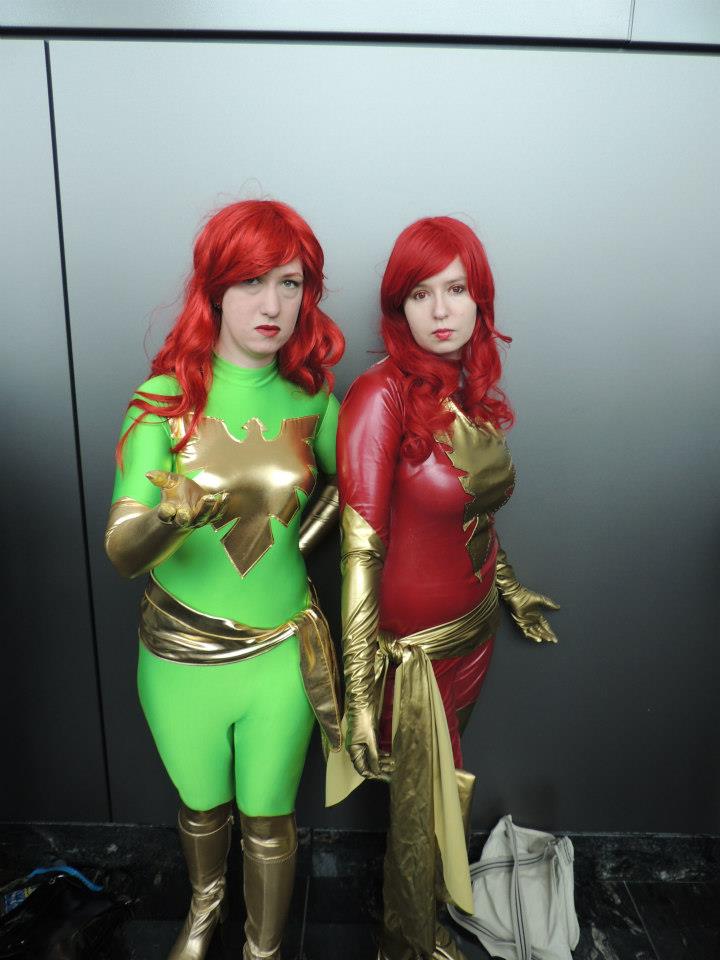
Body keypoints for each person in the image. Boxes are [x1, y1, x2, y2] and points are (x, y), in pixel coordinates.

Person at [105, 199, 344, 960]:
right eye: (250, 282)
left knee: (270, 817)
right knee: (202, 806)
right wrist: (171, 517)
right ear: (213, 289)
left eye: (289, 283)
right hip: (180, 653)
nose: (272, 305)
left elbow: (359, 489)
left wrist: (299, 537)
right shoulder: (164, 402)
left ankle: (263, 950)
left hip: (280, 649)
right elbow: (122, 550)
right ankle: (205, 910)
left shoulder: (313, 397)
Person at [333, 216, 559, 960]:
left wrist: (511, 590)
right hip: (412, 657)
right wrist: (358, 698)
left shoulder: (471, 388)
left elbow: (473, 517)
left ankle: (424, 916)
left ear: (478, 299)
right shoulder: (379, 398)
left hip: (474, 633)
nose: (440, 311)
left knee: (441, 789)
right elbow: (358, 553)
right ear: (397, 307)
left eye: (456, 290)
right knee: (421, 805)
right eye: (420, 293)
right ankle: (407, 941)